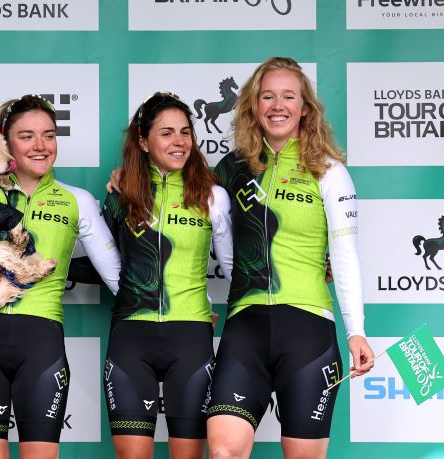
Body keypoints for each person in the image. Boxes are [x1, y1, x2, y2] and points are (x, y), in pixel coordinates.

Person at [0, 94, 121, 459]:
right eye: (27, 136)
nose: (40, 146)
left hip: (41, 346)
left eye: (49, 135)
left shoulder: (76, 200)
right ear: (6, 142)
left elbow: (118, 278)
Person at [206, 57, 372, 459]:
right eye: (267, 96)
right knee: (224, 451)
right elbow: (186, 198)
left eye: (288, 96)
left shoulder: (328, 171)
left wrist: (356, 331)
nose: (277, 105)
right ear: (252, 107)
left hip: (308, 331)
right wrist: (126, 176)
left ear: (305, 109)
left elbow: (345, 255)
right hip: (244, 328)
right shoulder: (231, 169)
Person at [102, 92, 233, 459]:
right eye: (166, 133)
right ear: (143, 142)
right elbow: (107, 264)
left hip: (190, 336)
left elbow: (237, 267)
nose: (179, 142)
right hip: (130, 336)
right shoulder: (121, 192)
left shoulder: (212, 196)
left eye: (185, 132)